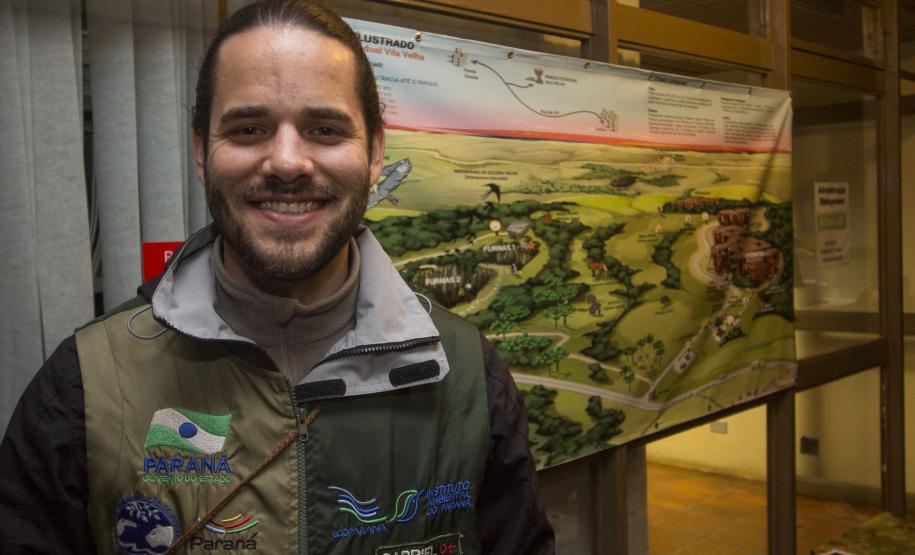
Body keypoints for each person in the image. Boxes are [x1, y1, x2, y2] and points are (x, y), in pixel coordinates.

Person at [0, 1, 554, 553]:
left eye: (324, 129)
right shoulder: (86, 387)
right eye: (248, 128)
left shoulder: (467, 379)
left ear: (375, 153)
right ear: (201, 152)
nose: (287, 162)